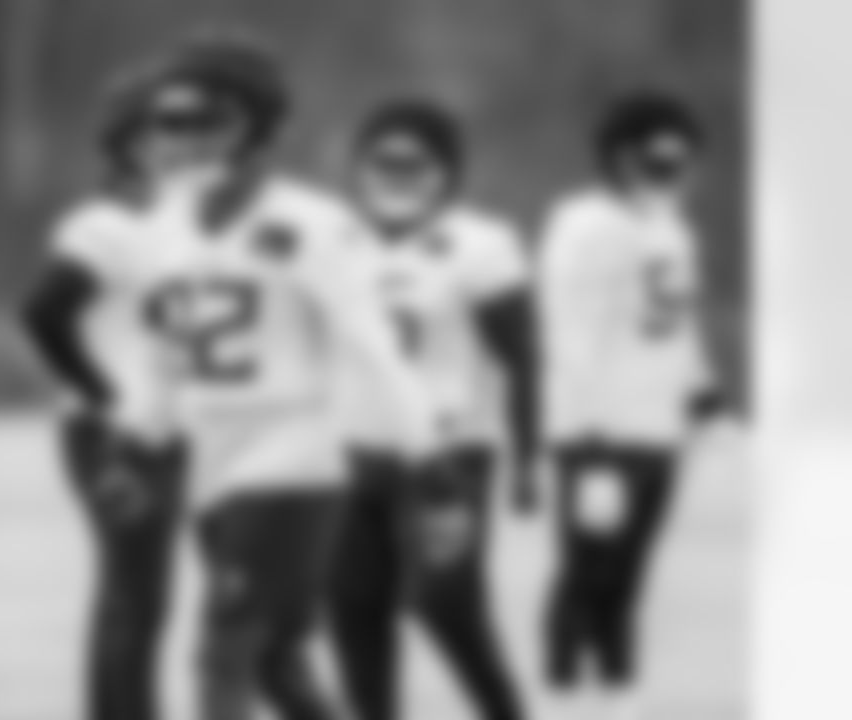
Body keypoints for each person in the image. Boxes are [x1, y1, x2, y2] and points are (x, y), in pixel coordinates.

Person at [108, 36, 428, 720]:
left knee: (223, 651)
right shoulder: (159, 229)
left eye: (201, 120)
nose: (178, 139)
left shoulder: (310, 225)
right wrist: (134, 446)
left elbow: (373, 348)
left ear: (254, 128)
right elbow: (160, 353)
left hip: (293, 454)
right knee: (277, 665)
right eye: (166, 121)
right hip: (212, 459)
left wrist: (428, 463)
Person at [330, 99, 533, 720]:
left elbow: (524, 357)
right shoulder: (328, 240)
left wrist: (529, 458)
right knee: (354, 609)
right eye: (382, 162)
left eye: (413, 164)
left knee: (446, 605)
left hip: (449, 456)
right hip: (350, 453)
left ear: (445, 172)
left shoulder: (480, 245)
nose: (396, 177)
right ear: (358, 167)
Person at [538, 92, 723, 720]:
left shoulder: (674, 230)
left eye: (682, 162)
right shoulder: (583, 225)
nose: (673, 175)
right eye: (658, 161)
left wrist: (704, 396)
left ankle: (621, 695)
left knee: (629, 576)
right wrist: (591, 447)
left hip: (656, 429)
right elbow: (570, 333)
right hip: (599, 430)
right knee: (585, 572)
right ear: (619, 159)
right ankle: (561, 694)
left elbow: (680, 328)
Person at [22, 62, 187, 720]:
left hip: (159, 431)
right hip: (112, 435)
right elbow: (42, 314)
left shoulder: (173, 220)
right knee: (134, 597)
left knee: (140, 597)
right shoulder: (104, 225)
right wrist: (105, 398)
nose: (175, 145)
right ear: (125, 142)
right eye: (159, 132)